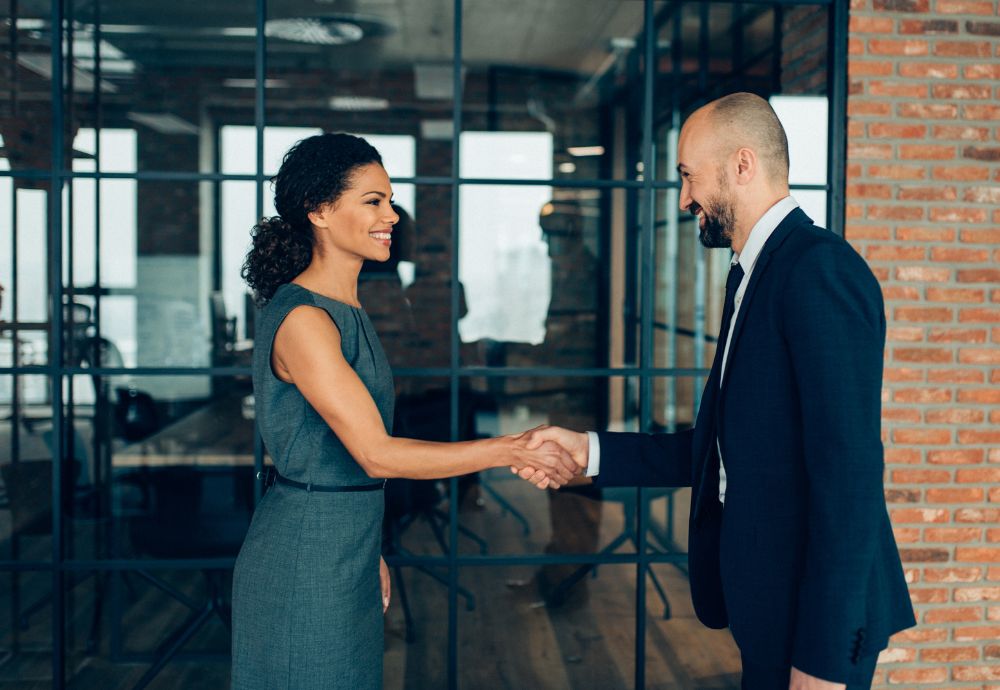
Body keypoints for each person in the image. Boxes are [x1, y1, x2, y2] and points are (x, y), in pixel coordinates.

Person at [519, 93, 915, 690]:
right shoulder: (750, 274)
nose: (683, 198)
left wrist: (824, 658)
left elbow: (849, 478)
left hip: (815, 626)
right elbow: (728, 449)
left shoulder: (819, 272)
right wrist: (591, 452)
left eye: (687, 175)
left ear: (742, 164)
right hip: (767, 603)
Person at [230, 132, 578, 690]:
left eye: (388, 199)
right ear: (319, 210)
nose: (391, 215)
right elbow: (375, 454)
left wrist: (370, 548)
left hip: (345, 546)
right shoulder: (305, 321)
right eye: (373, 201)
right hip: (304, 558)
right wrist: (508, 447)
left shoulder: (347, 309)